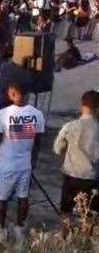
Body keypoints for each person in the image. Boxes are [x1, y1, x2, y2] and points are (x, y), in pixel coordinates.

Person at [0, 83, 45, 240]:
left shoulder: (3, 113)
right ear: (27, 94)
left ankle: (1, 232)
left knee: (1, 198)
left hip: (6, 164)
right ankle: (20, 229)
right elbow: (38, 141)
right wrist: (32, 161)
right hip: (25, 164)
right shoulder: (37, 114)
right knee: (23, 198)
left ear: (12, 94)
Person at [53, 91, 99, 235]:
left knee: (66, 213)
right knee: (90, 216)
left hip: (71, 177)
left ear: (81, 106)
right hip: (92, 179)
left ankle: (65, 241)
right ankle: (85, 244)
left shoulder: (69, 126)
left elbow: (57, 149)